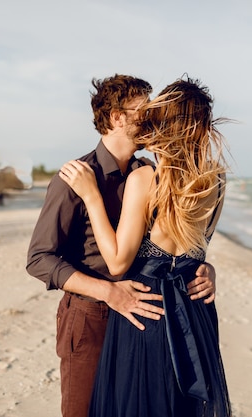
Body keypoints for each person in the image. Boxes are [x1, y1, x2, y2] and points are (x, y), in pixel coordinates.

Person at [26, 74, 217, 417]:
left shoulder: (148, 173)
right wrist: (107, 292)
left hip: (142, 314)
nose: (153, 119)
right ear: (117, 117)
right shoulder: (76, 177)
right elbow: (39, 259)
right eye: (145, 111)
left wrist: (203, 267)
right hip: (91, 315)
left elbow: (176, 242)